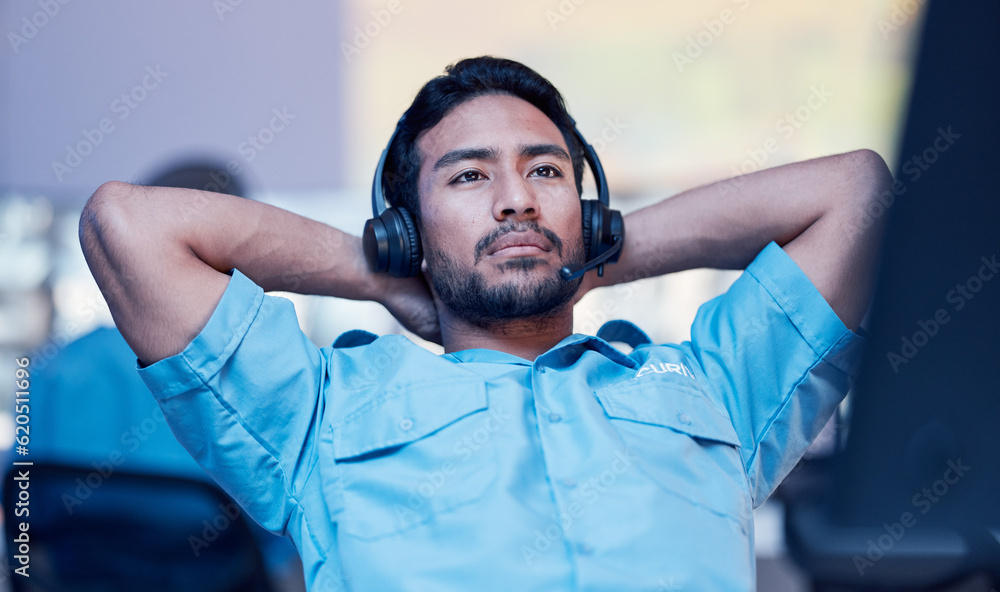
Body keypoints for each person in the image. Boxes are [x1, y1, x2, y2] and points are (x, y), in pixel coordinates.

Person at [79, 57, 889, 591]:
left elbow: (858, 194)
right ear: (405, 223)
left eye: (545, 171)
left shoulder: (712, 386)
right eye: (469, 176)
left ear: (590, 206)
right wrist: (385, 269)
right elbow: (128, 225)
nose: (517, 199)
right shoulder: (316, 412)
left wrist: (599, 249)